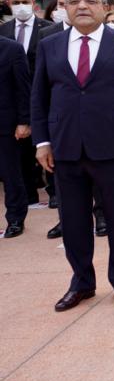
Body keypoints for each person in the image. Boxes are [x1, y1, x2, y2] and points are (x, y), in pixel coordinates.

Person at [32, 0, 114, 311]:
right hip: (65, 147)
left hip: (113, 146)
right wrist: (42, 141)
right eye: (74, 1)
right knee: (73, 221)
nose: (81, 5)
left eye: (89, 0)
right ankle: (82, 282)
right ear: (65, 8)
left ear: (104, 8)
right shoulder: (49, 45)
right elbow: (39, 97)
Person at [2, 0, 52, 212]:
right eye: (15, 2)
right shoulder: (5, 31)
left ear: (33, 2)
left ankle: (53, 194)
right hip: (13, 101)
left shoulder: (48, 30)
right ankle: (29, 194)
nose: (20, 6)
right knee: (19, 155)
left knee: (46, 146)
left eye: (24, 1)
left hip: (44, 97)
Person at [0, 36, 31, 238]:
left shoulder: (12, 49)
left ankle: (16, 218)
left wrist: (23, 121)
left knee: (10, 173)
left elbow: (23, 88)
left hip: (5, 123)